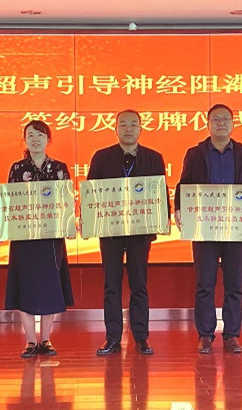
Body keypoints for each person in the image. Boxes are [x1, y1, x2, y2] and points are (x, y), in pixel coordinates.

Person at [174, 103, 242, 354]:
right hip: (204, 228)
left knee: (234, 284)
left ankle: (232, 335)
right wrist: (179, 208)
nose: (221, 123)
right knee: (204, 283)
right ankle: (205, 334)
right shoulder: (195, 153)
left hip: (235, 228)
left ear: (233, 124)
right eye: (215, 119)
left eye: (225, 119)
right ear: (208, 124)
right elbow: (184, 184)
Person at [87, 109, 168, 356]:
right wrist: (88, 220)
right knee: (111, 284)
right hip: (110, 231)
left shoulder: (154, 158)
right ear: (115, 129)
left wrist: (163, 219)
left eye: (133, 124)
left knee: (139, 284)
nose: (128, 128)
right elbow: (91, 194)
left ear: (141, 129)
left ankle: (141, 337)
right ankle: (112, 337)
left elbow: (161, 193)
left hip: (140, 232)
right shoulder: (101, 157)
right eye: (123, 124)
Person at [4, 120, 74, 358]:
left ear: (48, 140)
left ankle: (46, 339)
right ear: (25, 140)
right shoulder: (17, 168)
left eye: (40, 135)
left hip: (51, 238)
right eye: (31, 135)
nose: (35, 140)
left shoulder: (59, 168)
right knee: (25, 285)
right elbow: (10, 203)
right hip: (24, 237)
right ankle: (30, 341)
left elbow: (66, 203)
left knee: (49, 285)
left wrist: (69, 225)